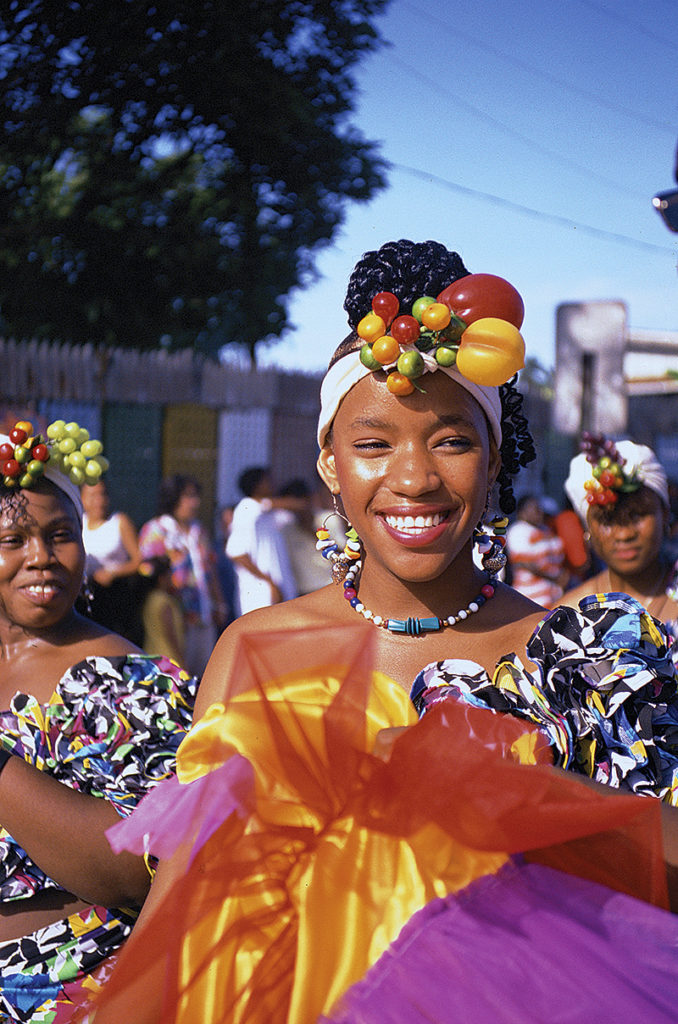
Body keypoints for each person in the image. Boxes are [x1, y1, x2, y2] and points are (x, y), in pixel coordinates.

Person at [86, 241, 678, 1023]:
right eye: (372, 444)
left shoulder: (587, 653)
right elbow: (186, 902)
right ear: (330, 463)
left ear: (496, 456)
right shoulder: (257, 652)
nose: (414, 477)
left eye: (452, 440)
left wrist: (517, 792)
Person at [0, 419, 195, 1021]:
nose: (41, 557)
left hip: (74, 994)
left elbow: (142, 870)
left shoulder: (128, 680)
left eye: (62, 536)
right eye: (14, 540)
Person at [561, 436, 678, 640]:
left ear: (665, 515)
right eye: (607, 519)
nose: (624, 534)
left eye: (638, 515)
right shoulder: (570, 617)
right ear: (587, 527)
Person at [139, 475, 227, 677]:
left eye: (196, 496)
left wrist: (219, 603)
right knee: (176, 675)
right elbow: (149, 572)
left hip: (203, 617)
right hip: (176, 616)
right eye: (188, 496)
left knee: (202, 678)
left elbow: (210, 570)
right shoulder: (157, 530)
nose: (194, 502)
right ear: (173, 498)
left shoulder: (199, 531)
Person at [226, 467, 298, 614]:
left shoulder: (268, 514)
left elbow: (300, 507)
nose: (272, 483)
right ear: (257, 485)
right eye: (267, 480)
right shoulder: (246, 507)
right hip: (259, 596)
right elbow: (237, 554)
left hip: (279, 596)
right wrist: (269, 583)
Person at [81, 479, 144, 645]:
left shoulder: (119, 522)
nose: (99, 501)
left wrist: (114, 572)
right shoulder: (79, 523)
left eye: (103, 495)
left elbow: (138, 560)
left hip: (116, 597)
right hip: (87, 599)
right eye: (93, 496)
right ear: (82, 499)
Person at [505, 494, 568, 607]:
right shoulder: (518, 530)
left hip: (553, 593)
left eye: (539, 508)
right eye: (534, 508)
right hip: (531, 595)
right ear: (522, 512)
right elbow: (523, 562)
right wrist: (553, 577)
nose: (539, 512)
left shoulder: (545, 529)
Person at [139, 555, 186, 667]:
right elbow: (170, 633)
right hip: (169, 657)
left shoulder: (149, 598)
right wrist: (181, 658)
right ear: (162, 578)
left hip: (151, 655)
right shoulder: (164, 601)